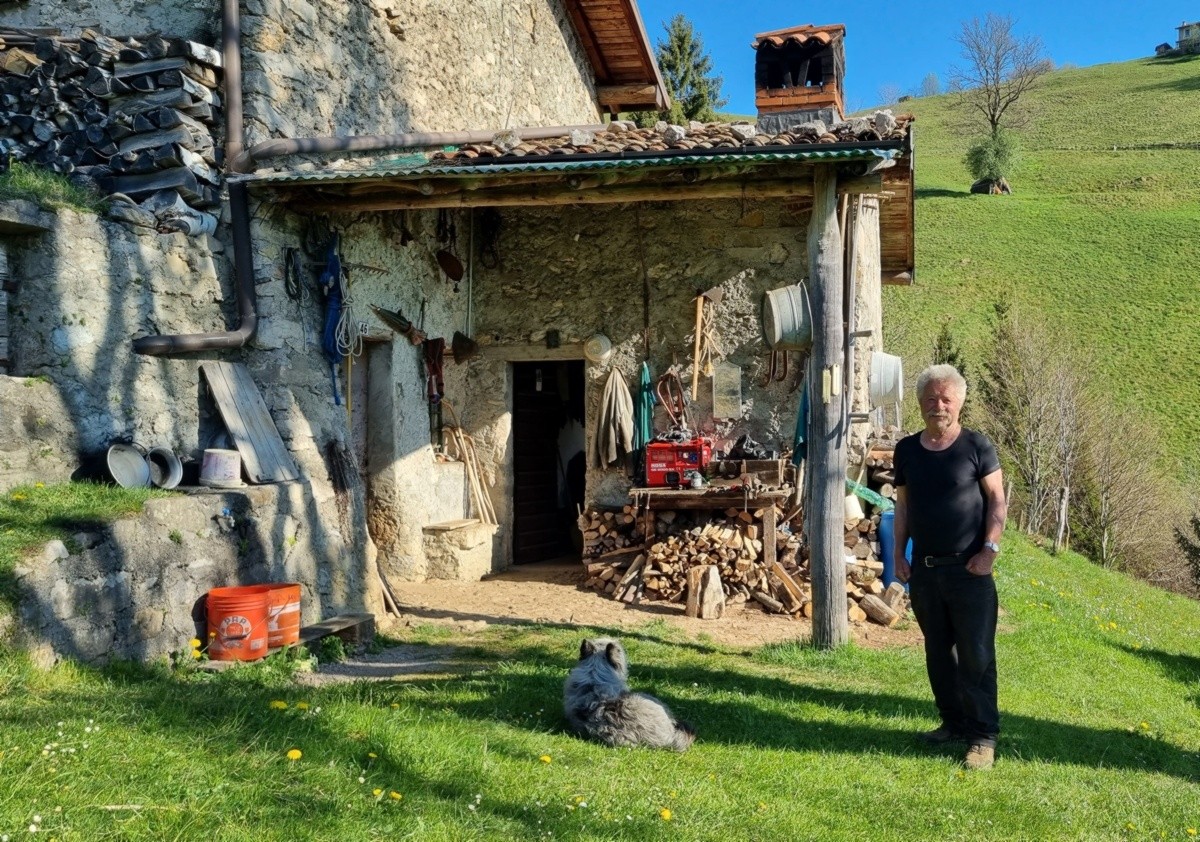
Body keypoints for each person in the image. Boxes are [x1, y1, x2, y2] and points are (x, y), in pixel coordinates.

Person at [892, 364, 1007, 770]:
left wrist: (989, 549)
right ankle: (952, 724)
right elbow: (902, 505)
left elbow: (997, 501)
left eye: (945, 398)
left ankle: (982, 737)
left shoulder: (978, 446)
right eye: (930, 398)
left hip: (970, 571)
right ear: (920, 403)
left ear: (959, 402)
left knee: (976, 654)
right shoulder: (906, 450)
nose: (937, 405)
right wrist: (898, 555)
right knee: (938, 653)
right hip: (925, 571)